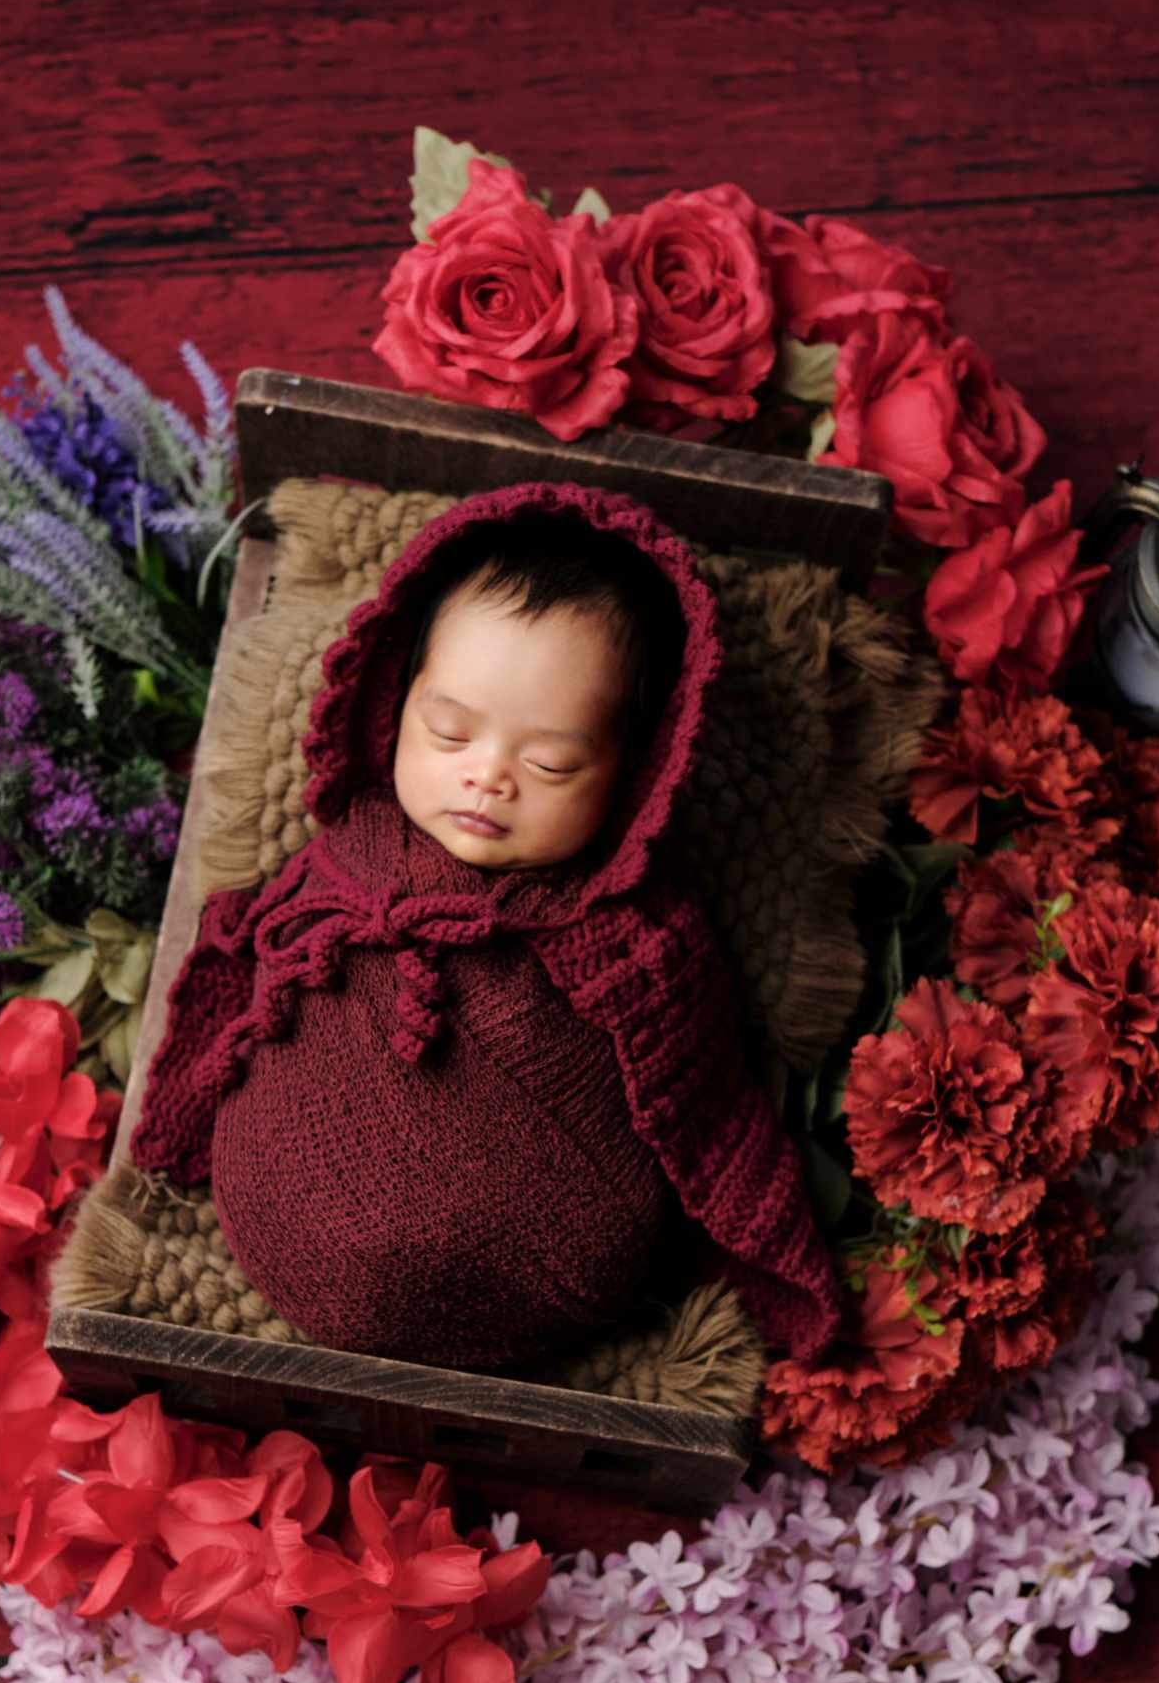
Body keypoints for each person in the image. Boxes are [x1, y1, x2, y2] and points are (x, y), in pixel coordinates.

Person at [127, 480, 844, 1372]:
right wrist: (184, 1112)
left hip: (544, 1283)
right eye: (449, 731)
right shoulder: (350, 858)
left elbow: (713, 1117)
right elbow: (245, 976)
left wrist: (761, 1249)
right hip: (283, 1219)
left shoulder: (636, 939)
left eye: (550, 761)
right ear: (396, 704)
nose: (488, 777)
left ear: (635, 773)